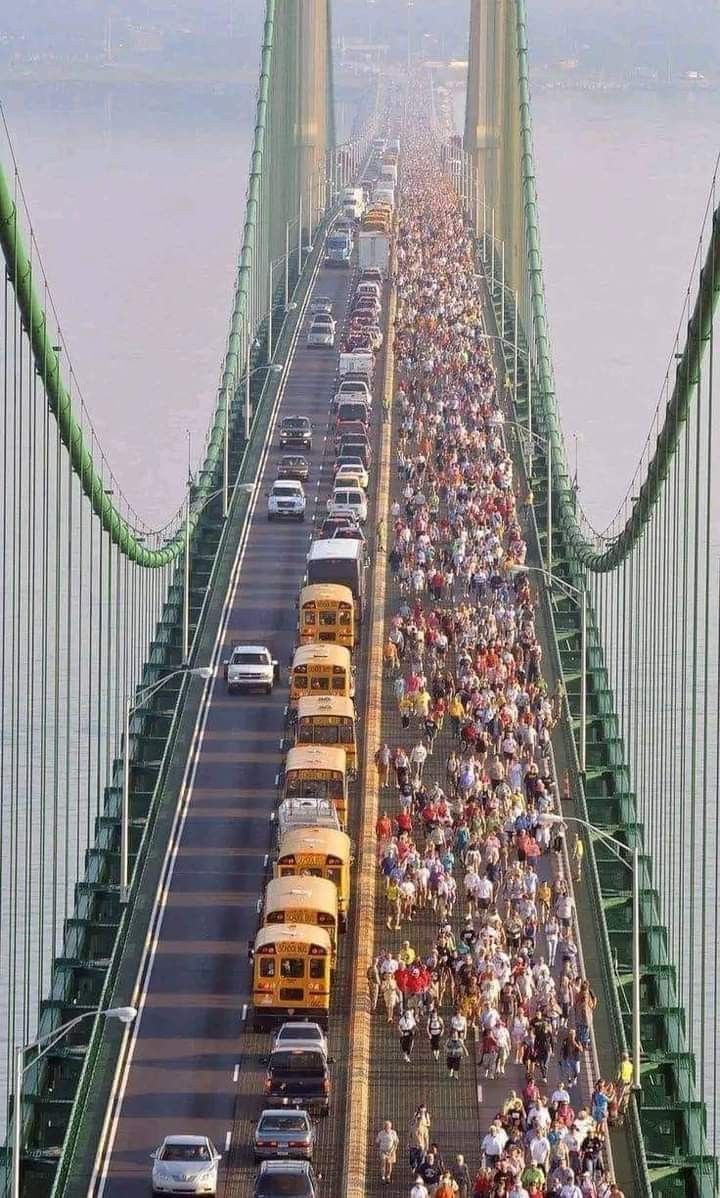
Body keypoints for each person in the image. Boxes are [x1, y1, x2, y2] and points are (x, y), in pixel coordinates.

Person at [376, 1120, 399, 1184]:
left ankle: (388, 1177)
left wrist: (394, 1149)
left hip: (391, 1151)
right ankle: (383, 1177)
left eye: (388, 1126)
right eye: (386, 1126)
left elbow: (396, 1142)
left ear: (390, 1127)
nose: (387, 1127)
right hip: (383, 1151)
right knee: (383, 1163)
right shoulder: (381, 1133)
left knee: (389, 1164)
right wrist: (380, 1148)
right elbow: (377, 1141)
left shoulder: (393, 1133)